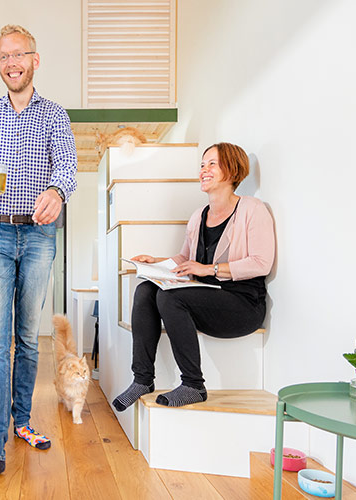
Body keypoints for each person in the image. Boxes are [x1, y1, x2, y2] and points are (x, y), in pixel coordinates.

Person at [0, 24, 77, 485]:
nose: (11, 63)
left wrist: (57, 192)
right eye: (3, 57)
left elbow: (68, 169)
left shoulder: (54, 115)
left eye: (18, 55)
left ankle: (21, 419)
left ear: (34, 59)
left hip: (40, 236)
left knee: (27, 337)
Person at [111, 143, 274, 411]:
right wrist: (157, 262)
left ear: (232, 170)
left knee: (170, 298)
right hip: (207, 299)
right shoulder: (199, 216)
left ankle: (193, 385)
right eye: (202, 165)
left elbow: (261, 263)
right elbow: (186, 260)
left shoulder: (252, 209)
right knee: (145, 290)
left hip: (243, 304)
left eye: (212, 164)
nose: (203, 170)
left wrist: (210, 269)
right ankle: (142, 380)